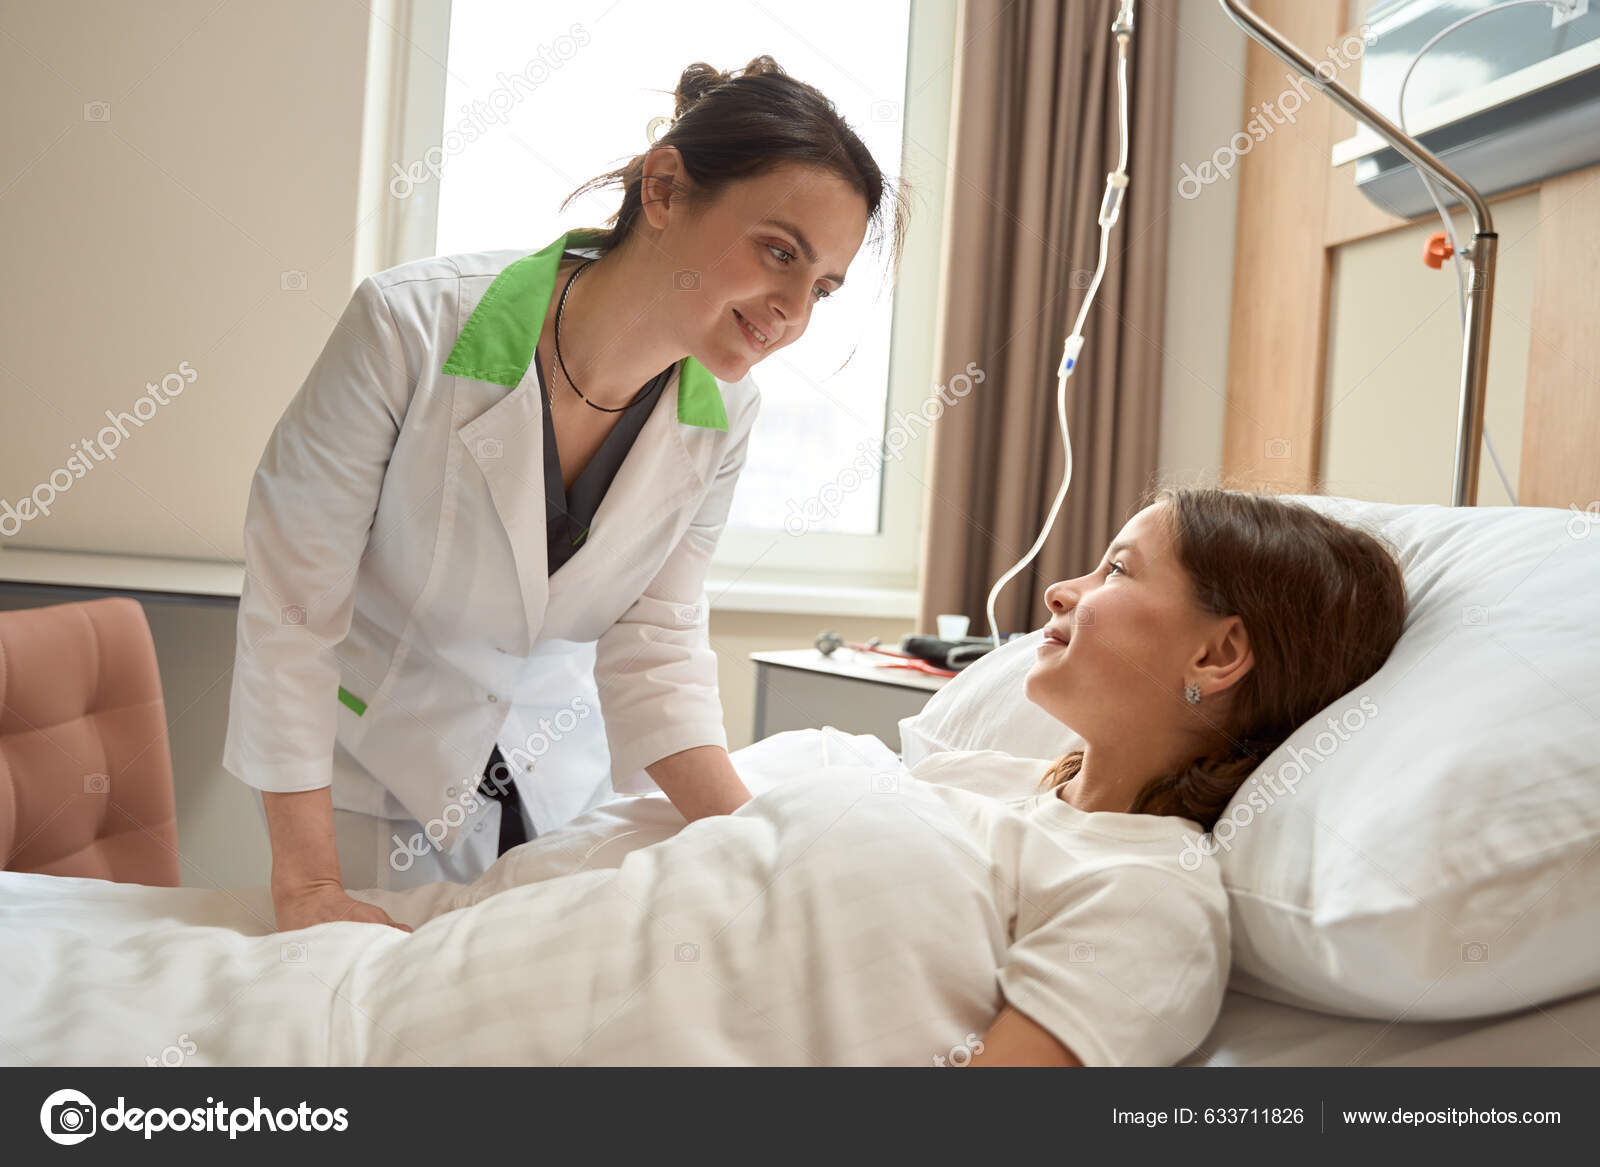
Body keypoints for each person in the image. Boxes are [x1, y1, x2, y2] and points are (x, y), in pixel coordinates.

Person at [221, 55, 906, 933]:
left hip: (561, 777)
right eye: (779, 252)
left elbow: (655, 642)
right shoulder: (409, 328)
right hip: (369, 781)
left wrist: (764, 851)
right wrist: (310, 887)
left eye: (821, 287)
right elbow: (293, 612)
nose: (792, 311)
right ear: (664, 190)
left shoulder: (725, 411)